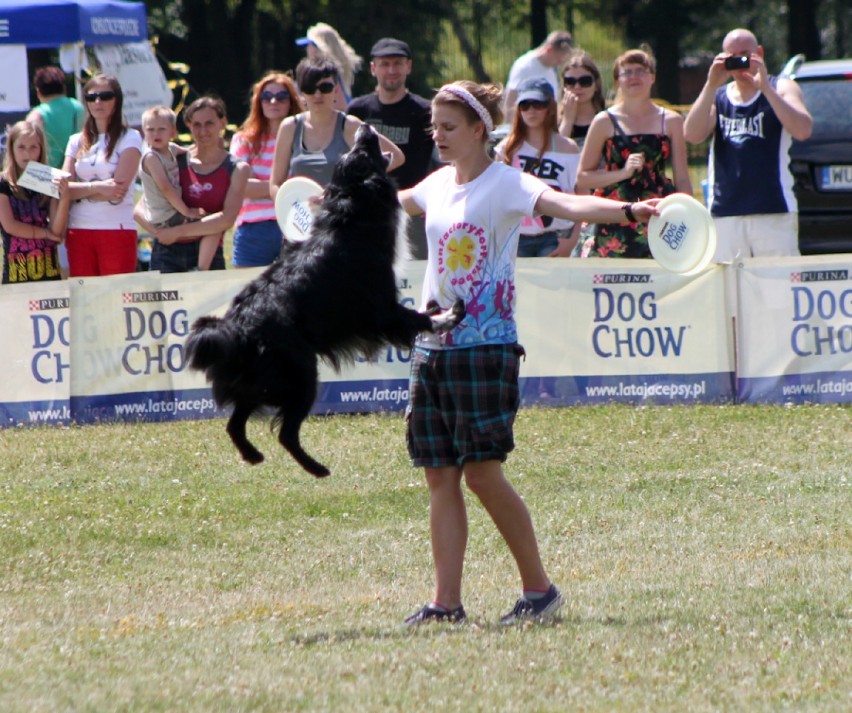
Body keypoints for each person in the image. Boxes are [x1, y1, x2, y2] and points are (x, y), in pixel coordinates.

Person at [397, 80, 660, 625]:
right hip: (432, 348)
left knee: (483, 474)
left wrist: (631, 210)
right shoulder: (436, 184)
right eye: (434, 128)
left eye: (448, 128)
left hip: (485, 347)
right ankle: (446, 604)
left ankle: (539, 592)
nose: (438, 136)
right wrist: (322, 197)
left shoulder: (507, 183)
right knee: (440, 475)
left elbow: (568, 203)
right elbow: (387, 202)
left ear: (477, 131)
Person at [683, 28, 813, 261]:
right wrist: (710, 85)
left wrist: (766, 89)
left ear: (759, 52)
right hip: (725, 211)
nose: (740, 63)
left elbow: (803, 130)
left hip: (774, 209)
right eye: (733, 57)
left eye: (746, 55)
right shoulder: (719, 96)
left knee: (776, 289)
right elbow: (692, 134)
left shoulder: (781, 87)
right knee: (729, 290)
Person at [575, 48, 692, 258]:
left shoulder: (672, 120)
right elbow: (583, 178)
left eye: (640, 70)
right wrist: (623, 173)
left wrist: (688, 215)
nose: (633, 77)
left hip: (658, 213)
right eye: (626, 72)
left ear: (652, 78)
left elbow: (682, 177)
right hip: (614, 212)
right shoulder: (604, 121)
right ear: (618, 80)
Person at [136, 96, 250, 273]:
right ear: (188, 126)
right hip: (168, 253)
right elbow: (139, 210)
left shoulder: (237, 168)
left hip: (208, 255)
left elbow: (227, 219)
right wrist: (160, 233)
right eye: (196, 124)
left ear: (223, 123)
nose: (203, 130)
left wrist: (177, 232)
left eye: (209, 123)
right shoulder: (174, 159)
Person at [347, 37, 435, 259]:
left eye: (397, 63)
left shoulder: (426, 111)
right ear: (373, 68)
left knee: (415, 274)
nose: (391, 70)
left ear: (409, 66)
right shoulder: (358, 110)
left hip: (412, 209)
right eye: (385, 64)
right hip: (367, 210)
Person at [270, 56, 404, 199]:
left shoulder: (350, 125)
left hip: (344, 215)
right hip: (302, 217)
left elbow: (396, 156)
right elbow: (275, 183)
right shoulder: (290, 127)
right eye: (309, 88)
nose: (317, 94)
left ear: (336, 90)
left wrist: (351, 188)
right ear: (301, 92)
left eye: (325, 88)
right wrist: (290, 204)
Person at [62, 75, 142, 277]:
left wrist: (78, 191)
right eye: (92, 97)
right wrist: (97, 188)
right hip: (77, 229)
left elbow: (116, 192)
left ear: (117, 100)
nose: (98, 102)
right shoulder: (75, 141)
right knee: (85, 301)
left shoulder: (131, 137)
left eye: (106, 96)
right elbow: (62, 189)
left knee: (116, 300)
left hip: (116, 229)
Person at [494, 77, 580, 257]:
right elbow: (497, 197)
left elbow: (580, 195)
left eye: (538, 104)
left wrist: (572, 240)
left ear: (550, 107)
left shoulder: (568, 148)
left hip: (555, 236)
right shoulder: (506, 149)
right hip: (515, 236)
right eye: (525, 105)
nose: (531, 111)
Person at [229, 72, 302, 268]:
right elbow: (241, 188)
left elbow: (306, 184)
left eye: (281, 96)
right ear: (258, 102)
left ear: (291, 101)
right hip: (252, 230)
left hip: (295, 225)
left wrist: (260, 185)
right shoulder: (243, 140)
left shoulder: (304, 139)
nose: (273, 101)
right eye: (266, 96)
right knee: (247, 295)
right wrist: (284, 186)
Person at [137, 106, 215, 270]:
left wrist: (209, 152)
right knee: (210, 223)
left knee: (213, 222)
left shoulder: (171, 149)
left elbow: (190, 153)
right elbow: (165, 188)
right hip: (164, 216)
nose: (156, 134)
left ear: (173, 132)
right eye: (150, 130)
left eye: (161, 129)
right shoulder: (151, 157)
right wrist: (186, 211)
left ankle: (200, 265)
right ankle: (200, 268)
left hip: (173, 210)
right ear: (143, 132)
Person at [0, 121, 70, 284]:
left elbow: (57, 231)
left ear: (41, 149)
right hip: (16, 273)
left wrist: (64, 196)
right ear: (11, 148)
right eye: (21, 147)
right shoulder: (3, 182)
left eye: (33, 147)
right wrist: (45, 234)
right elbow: (10, 225)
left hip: (49, 271)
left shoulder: (46, 179)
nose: (28, 154)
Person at [503, 31, 574, 125]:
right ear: (549, 49)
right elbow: (510, 101)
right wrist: (510, 129)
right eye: (558, 59)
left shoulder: (550, 69)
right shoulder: (524, 66)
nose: (559, 63)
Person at [26, 66, 85, 169]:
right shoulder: (79, 108)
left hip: (48, 177)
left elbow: (27, 150)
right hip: (77, 176)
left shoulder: (37, 115)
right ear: (64, 88)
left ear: (38, 92)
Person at [296, 22, 363, 110]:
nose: (307, 49)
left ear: (320, 46)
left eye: (310, 44)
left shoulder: (329, 76)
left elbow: (340, 109)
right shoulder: (338, 73)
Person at [558, 51, 606, 147]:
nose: (577, 87)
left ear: (596, 85)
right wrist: (567, 120)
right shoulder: (553, 119)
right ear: (564, 86)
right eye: (570, 82)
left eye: (585, 81)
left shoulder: (607, 119)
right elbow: (557, 154)